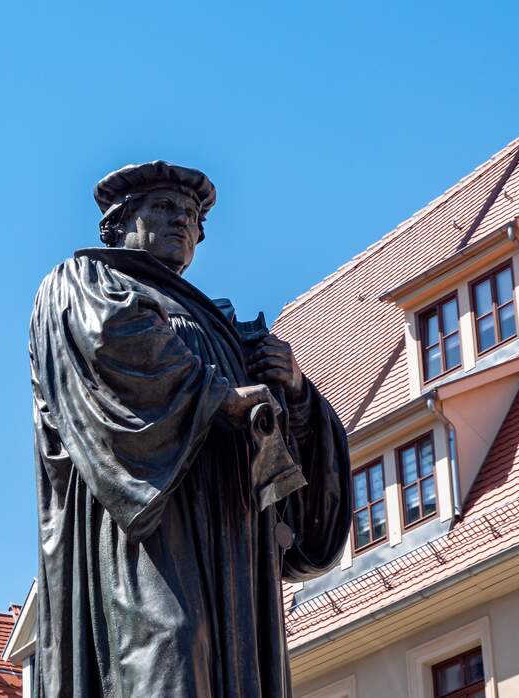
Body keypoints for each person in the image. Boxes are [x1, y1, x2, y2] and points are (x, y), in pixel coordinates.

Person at [29, 161, 352, 698]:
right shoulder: (83, 282)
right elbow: (112, 347)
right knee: (170, 655)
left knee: (222, 668)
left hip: (230, 538)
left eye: (192, 215)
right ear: (118, 223)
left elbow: (291, 487)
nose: (182, 221)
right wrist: (220, 397)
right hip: (149, 531)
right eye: (164, 207)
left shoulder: (219, 323)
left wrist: (295, 392)